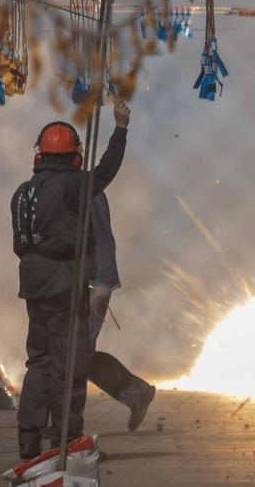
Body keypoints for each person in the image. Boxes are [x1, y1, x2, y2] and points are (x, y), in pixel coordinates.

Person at [12, 100, 130, 460]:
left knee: (40, 359)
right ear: (75, 157)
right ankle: (65, 438)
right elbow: (106, 171)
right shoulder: (73, 186)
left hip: (33, 286)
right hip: (65, 285)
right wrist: (120, 129)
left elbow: (20, 245)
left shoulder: (22, 192)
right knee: (70, 361)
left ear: (39, 155)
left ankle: (28, 436)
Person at [87, 191, 157, 431]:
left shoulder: (87, 190)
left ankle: (135, 393)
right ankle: (137, 393)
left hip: (91, 285)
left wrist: (103, 283)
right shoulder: (62, 187)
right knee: (77, 354)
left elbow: (103, 240)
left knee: (78, 353)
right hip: (72, 285)